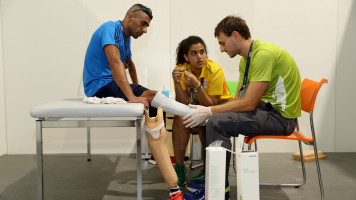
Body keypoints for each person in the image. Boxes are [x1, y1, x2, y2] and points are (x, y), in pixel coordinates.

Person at [182, 15, 301, 200]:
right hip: (267, 109)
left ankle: (218, 191)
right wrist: (208, 112)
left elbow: (249, 103)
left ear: (235, 35)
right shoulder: (246, 60)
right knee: (211, 119)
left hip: (281, 119)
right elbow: (239, 99)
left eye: (223, 43)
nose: (221, 49)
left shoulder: (263, 55)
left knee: (216, 121)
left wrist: (210, 110)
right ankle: (212, 180)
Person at [82, 4, 186, 200]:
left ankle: (174, 189)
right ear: (130, 17)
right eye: (143, 24)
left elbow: (128, 63)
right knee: (153, 100)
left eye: (147, 26)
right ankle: (193, 113)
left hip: (110, 83)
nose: (145, 30)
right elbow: (114, 63)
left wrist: (138, 89)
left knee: (154, 107)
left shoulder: (125, 37)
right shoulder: (110, 29)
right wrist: (132, 96)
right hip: (98, 86)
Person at [171, 36, 233, 187]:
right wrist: (177, 83)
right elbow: (182, 103)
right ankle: (179, 168)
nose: (199, 56)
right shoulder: (182, 69)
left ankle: (208, 168)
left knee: (205, 120)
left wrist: (197, 85)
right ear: (186, 57)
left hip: (219, 108)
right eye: (194, 53)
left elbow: (211, 105)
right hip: (196, 108)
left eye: (202, 52)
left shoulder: (215, 70)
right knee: (180, 119)